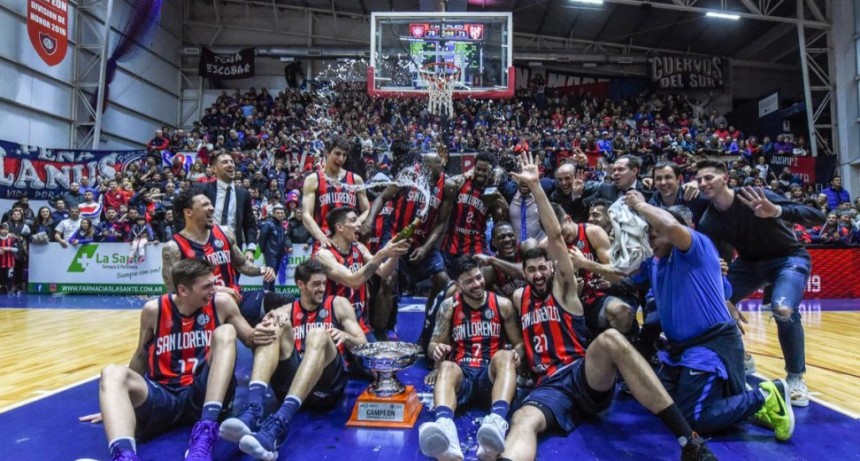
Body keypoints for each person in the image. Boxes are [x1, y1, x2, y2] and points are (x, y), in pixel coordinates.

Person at [499, 153, 717, 461]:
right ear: (524, 273)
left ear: (551, 268)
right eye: (530, 270)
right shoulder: (520, 298)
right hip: (546, 386)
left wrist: (536, 187)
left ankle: (689, 440)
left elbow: (556, 238)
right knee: (522, 421)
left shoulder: (563, 287)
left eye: (541, 268)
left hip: (582, 375)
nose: (537, 274)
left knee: (611, 339)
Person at [625, 192, 794, 440]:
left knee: (694, 418)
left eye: (655, 234)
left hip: (709, 346)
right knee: (661, 405)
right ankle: (734, 396)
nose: (651, 240)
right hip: (681, 350)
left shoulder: (698, 245)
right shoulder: (659, 261)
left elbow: (671, 226)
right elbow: (621, 273)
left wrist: (640, 204)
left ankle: (766, 395)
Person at [79, 259, 281, 461]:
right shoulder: (153, 310)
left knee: (227, 332)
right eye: (208, 286)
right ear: (183, 290)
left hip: (202, 393)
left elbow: (250, 337)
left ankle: (205, 431)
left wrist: (267, 325)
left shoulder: (221, 303)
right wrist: (118, 401)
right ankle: (124, 456)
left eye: (214, 283)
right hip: (164, 396)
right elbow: (141, 355)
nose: (216, 289)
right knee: (111, 372)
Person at [694, 159, 826, 406]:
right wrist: (723, 297)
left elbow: (817, 216)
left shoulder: (755, 194)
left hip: (788, 257)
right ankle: (743, 358)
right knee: (711, 304)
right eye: (699, 179)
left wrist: (776, 211)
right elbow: (718, 264)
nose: (703, 183)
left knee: (783, 309)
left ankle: (796, 377)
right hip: (748, 264)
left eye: (709, 177)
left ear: (725, 178)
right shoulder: (708, 222)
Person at [222, 259, 368, 460]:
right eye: (316, 284)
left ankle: (281, 420)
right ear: (300, 285)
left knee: (318, 334)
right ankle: (253, 409)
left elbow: (365, 346)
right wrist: (264, 327)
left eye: (324, 283)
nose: (322, 289)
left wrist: (346, 337)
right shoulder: (285, 311)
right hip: (291, 386)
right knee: (274, 326)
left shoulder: (338, 304)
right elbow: (256, 346)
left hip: (326, 387)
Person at [420, 256, 524, 461]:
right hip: (463, 377)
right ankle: (446, 432)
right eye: (469, 281)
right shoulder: (449, 306)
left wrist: (517, 355)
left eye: (478, 277)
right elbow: (432, 345)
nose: (477, 284)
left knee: (505, 355)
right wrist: (437, 350)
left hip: (490, 377)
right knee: (447, 366)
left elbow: (519, 344)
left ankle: (496, 421)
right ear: (458, 284)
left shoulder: (502, 304)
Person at [162, 189, 287, 327]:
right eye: (205, 205)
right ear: (188, 212)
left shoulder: (225, 232)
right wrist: (216, 290)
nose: (212, 208)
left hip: (237, 299)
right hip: (204, 307)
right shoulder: (174, 247)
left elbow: (241, 264)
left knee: (285, 302)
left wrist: (263, 270)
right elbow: (175, 291)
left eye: (211, 204)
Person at [313, 207, 410, 339]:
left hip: (361, 324)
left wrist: (396, 253)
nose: (359, 224)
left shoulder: (359, 248)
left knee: (376, 358)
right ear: (340, 227)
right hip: (334, 325)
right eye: (353, 221)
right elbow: (354, 281)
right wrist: (383, 252)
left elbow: (383, 272)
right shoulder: (323, 254)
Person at [439, 152, 508, 270]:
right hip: (450, 245)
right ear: (473, 168)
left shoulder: (492, 193)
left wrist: (502, 203)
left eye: (485, 170)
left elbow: (499, 221)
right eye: (478, 169)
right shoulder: (461, 181)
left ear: (490, 172)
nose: (480, 173)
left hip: (475, 247)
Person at [302, 135, 370, 248]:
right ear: (327, 153)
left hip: (350, 243)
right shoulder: (313, 180)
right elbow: (306, 215)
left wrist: (353, 224)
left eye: (344, 155)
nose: (341, 159)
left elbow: (367, 210)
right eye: (337, 153)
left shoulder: (356, 179)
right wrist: (321, 237)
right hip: (325, 242)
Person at [196, 150, 258, 257]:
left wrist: (250, 249)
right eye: (225, 162)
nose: (230, 165)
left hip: (233, 251)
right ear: (214, 169)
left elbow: (250, 224)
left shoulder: (243, 194)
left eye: (231, 162)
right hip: (206, 250)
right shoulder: (202, 189)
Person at [477, 222, 527, 298]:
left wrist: (493, 261)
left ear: (516, 236)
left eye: (510, 235)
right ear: (493, 242)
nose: (507, 239)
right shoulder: (489, 269)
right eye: (502, 237)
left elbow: (525, 272)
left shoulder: (526, 247)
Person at [258, 204, 289, 291]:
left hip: (280, 253)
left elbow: (284, 238)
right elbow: (262, 238)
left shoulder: (282, 226)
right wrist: (263, 250)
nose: (280, 215)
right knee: (269, 273)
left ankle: (271, 291)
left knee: (274, 273)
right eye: (278, 213)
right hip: (271, 253)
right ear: (273, 214)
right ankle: (266, 292)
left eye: (282, 213)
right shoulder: (268, 224)